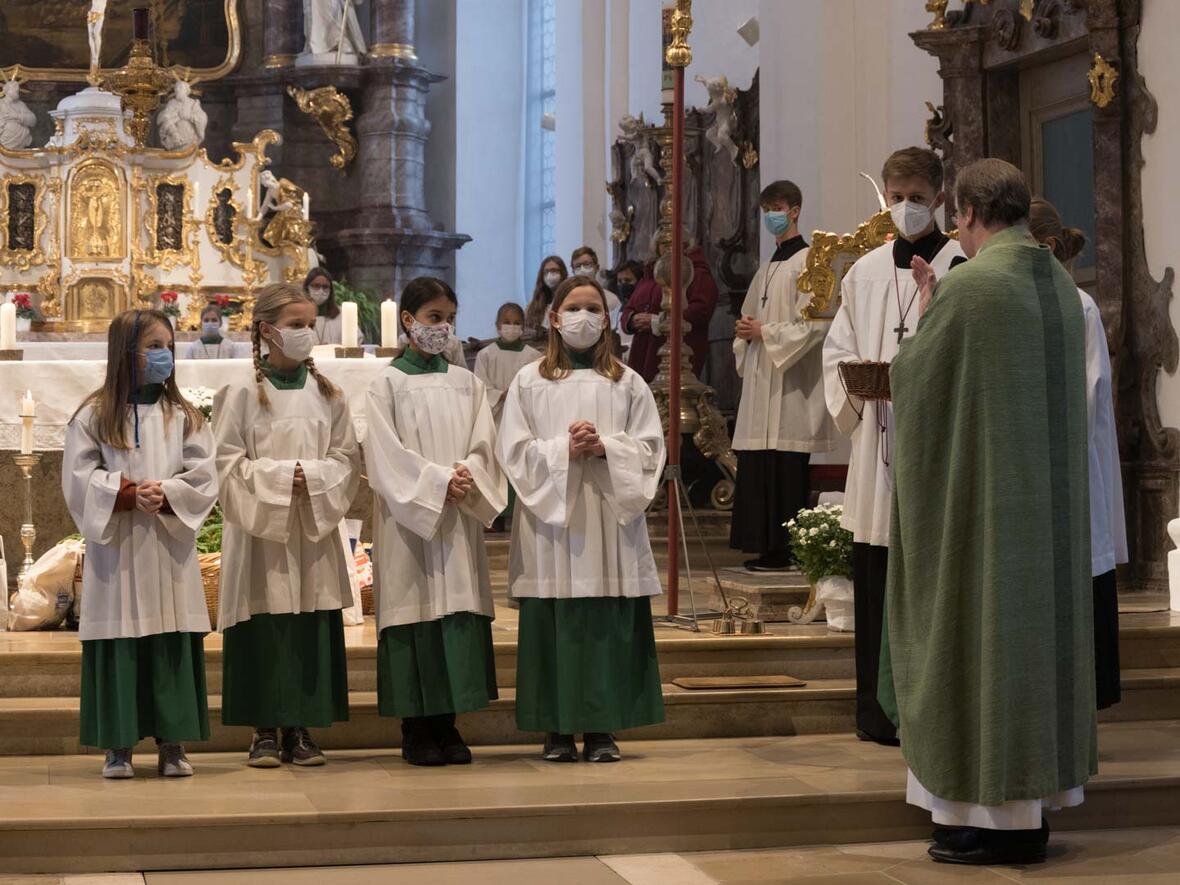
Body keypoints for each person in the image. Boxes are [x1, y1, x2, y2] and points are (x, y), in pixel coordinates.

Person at [882, 158, 1096, 866]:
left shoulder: (974, 285)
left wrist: (923, 321)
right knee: (1033, 645)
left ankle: (982, 820)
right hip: (1047, 515)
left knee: (978, 641)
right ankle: (1030, 815)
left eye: (957, 221)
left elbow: (917, 383)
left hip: (985, 509)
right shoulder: (1060, 285)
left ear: (969, 212)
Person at [822, 146, 964, 745]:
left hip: (934, 448)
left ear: (939, 197)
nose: (904, 206)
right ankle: (876, 714)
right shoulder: (866, 271)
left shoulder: (963, 265)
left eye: (914, 196)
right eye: (894, 194)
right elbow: (837, 350)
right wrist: (859, 380)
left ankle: (929, 711)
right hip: (876, 446)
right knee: (877, 574)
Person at [498, 276, 666, 764]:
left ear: (608, 319)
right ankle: (555, 729)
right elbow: (512, 450)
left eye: (594, 307)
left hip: (609, 520)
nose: (584, 317)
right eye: (574, 307)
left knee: (603, 623)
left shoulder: (627, 381)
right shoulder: (530, 381)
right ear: (554, 318)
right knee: (555, 622)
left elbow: (651, 449)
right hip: (553, 523)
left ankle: (601, 728)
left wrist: (606, 447)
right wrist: (562, 450)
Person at [63, 309, 219, 779]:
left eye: (168, 346)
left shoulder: (185, 415)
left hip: (168, 548)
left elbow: (205, 476)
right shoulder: (93, 415)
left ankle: (173, 743)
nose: (163, 355)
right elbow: (78, 479)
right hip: (120, 550)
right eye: (153, 346)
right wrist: (127, 494)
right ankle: (118, 745)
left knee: (170, 638)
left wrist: (168, 493)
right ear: (124, 352)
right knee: (119, 640)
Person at [213, 283, 361, 769]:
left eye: (309, 324)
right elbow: (225, 463)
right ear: (266, 331)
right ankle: (263, 730)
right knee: (265, 623)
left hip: (311, 526)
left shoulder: (329, 393)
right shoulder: (239, 393)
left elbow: (345, 456)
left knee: (308, 625)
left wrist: (312, 477)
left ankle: (300, 727)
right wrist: (281, 477)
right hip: (261, 530)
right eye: (296, 324)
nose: (306, 333)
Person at [365, 277, 508, 766]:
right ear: (407, 321)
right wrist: (433, 484)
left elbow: (485, 445)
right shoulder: (385, 383)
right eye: (432, 317)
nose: (442, 327)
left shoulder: (467, 383)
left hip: (457, 518)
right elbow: (383, 454)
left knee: (455, 614)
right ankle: (415, 729)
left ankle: (449, 725)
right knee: (413, 614)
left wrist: (466, 476)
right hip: (408, 524)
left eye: (448, 318)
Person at [1029, 198, 1125, 709]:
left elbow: (1085, 394)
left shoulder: (1075, 305)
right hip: (1047, 467)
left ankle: (1086, 694)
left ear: (1043, 247)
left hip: (1067, 467)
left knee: (1080, 571)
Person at [731, 180, 836, 571]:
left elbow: (817, 325)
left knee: (786, 469)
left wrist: (765, 333)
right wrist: (746, 332)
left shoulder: (811, 263)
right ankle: (765, 548)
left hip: (791, 385)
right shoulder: (768, 267)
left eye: (776, 207)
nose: (771, 216)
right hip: (762, 383)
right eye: (766, 210)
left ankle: (787, 551)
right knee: (759, 466)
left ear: (794, 210)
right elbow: (750, 317)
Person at [473, 302, 543, 532]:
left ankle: (521, 517)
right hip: (496, 418)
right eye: (507, 322)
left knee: (520, 463)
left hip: (523, 419)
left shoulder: (534, 356)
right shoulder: (486, 354)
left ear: (523, 327)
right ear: (497, 325)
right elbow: (480, 386)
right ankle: (495, 517)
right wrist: (500, 395)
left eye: (516, 323)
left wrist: (518, 397)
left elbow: (538, 388)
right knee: (495, 464)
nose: (511, 327)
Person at [620, 231, 719, 383]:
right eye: (663, 243)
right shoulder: (650, 274)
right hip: (642, 354)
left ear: (685, 244)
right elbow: (629, 309)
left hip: (676, 353)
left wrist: (658, 321)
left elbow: (701, 311)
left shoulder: (696, 273)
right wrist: (632, 320)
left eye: (673, 241)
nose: (668, 247)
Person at [305, 266, 364, 346]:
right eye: (316, 286)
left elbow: (356, 340)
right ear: (307, 288)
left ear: (331, 290)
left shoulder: (342, 314)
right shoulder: (301, 315)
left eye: (325, 287)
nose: (321, 290)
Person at [570, 246, 623, 330]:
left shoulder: (611, 300)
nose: (582, 269)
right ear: (573, 271)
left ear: (596, 267)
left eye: (587, 264)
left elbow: (616, 329)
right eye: (578, 266)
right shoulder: (566, 298)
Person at [523, 256, 569, 341]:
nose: (550, 275)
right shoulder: (532, 306)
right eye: (546, 272)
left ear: (563, 273)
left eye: (554, 270)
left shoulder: (570, 302)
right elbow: (523, 330)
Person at [612, 259, 644, 355]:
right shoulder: (615, 311)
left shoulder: (644, 310)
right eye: (620, 281)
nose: (623, 285)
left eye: (628, 280)